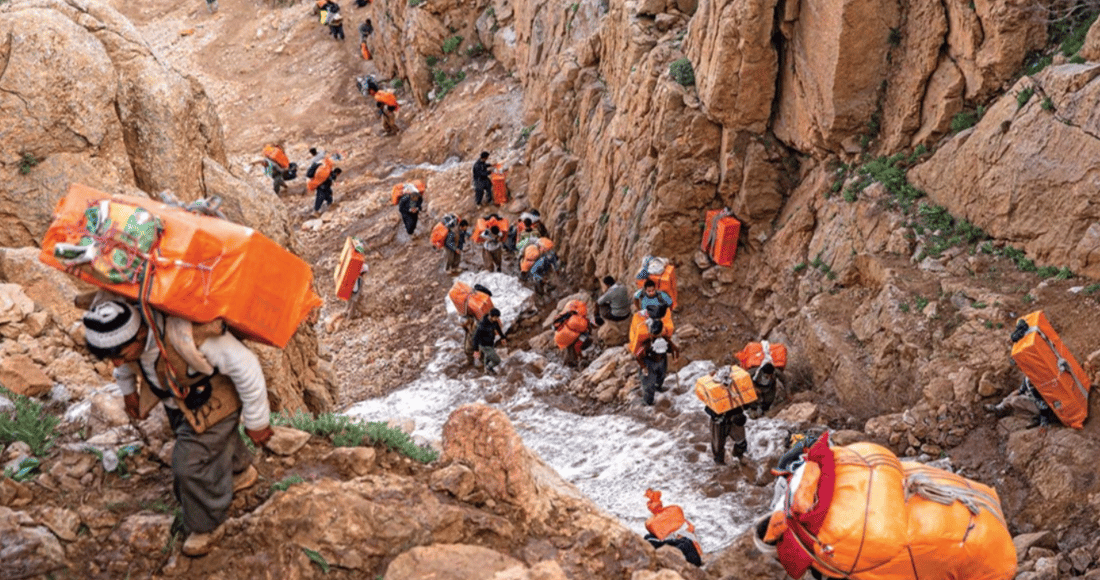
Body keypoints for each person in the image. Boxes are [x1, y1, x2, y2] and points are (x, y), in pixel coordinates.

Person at [82, 300, 273, 557]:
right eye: (110, 357)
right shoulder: (131, 344)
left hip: (216, 401)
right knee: (210, 444)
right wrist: (129, 392)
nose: (116, 363)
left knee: (188, 464)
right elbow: (126, 366)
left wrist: (257, 421)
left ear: (141, 333)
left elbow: (246, 366)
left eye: (121, 355)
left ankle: (207, 525)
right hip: (178, 404)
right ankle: (239, 472)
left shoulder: (188, 336)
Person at [634, 319, 680, 405]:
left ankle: (658, 387)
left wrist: (675, 358)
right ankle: (648, 401)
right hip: (649, 363)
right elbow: (638, 356)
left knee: (661, 376)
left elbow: (674, 349)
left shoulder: (665, 340)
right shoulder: (648, 343)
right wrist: (643, 367)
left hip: (662, 360)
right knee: (649, 383)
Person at [985, 377, 1058, 428]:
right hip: (1036, 404)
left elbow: (1042, 401)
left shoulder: (1038, 379)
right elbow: (1020, 391)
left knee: (1015, 401)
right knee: (1014, 397)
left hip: (1045, 409)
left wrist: (1044, 421)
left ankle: (1036, 418)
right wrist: (1007, 399)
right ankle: (1000, 407)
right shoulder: (1027, 378)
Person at [472, 308, 507, 374]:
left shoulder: (494, 322)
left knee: (487, 358)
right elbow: (476, 338)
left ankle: (486, 372)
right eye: (496, 317)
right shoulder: (482, 325)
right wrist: (476, 350)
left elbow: (498, 328)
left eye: (497, 317)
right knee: (497, 360)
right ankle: (489, 368)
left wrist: (502, 337)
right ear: (491, 316)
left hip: (491, 343)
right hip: (484, 345)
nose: (497, 319)